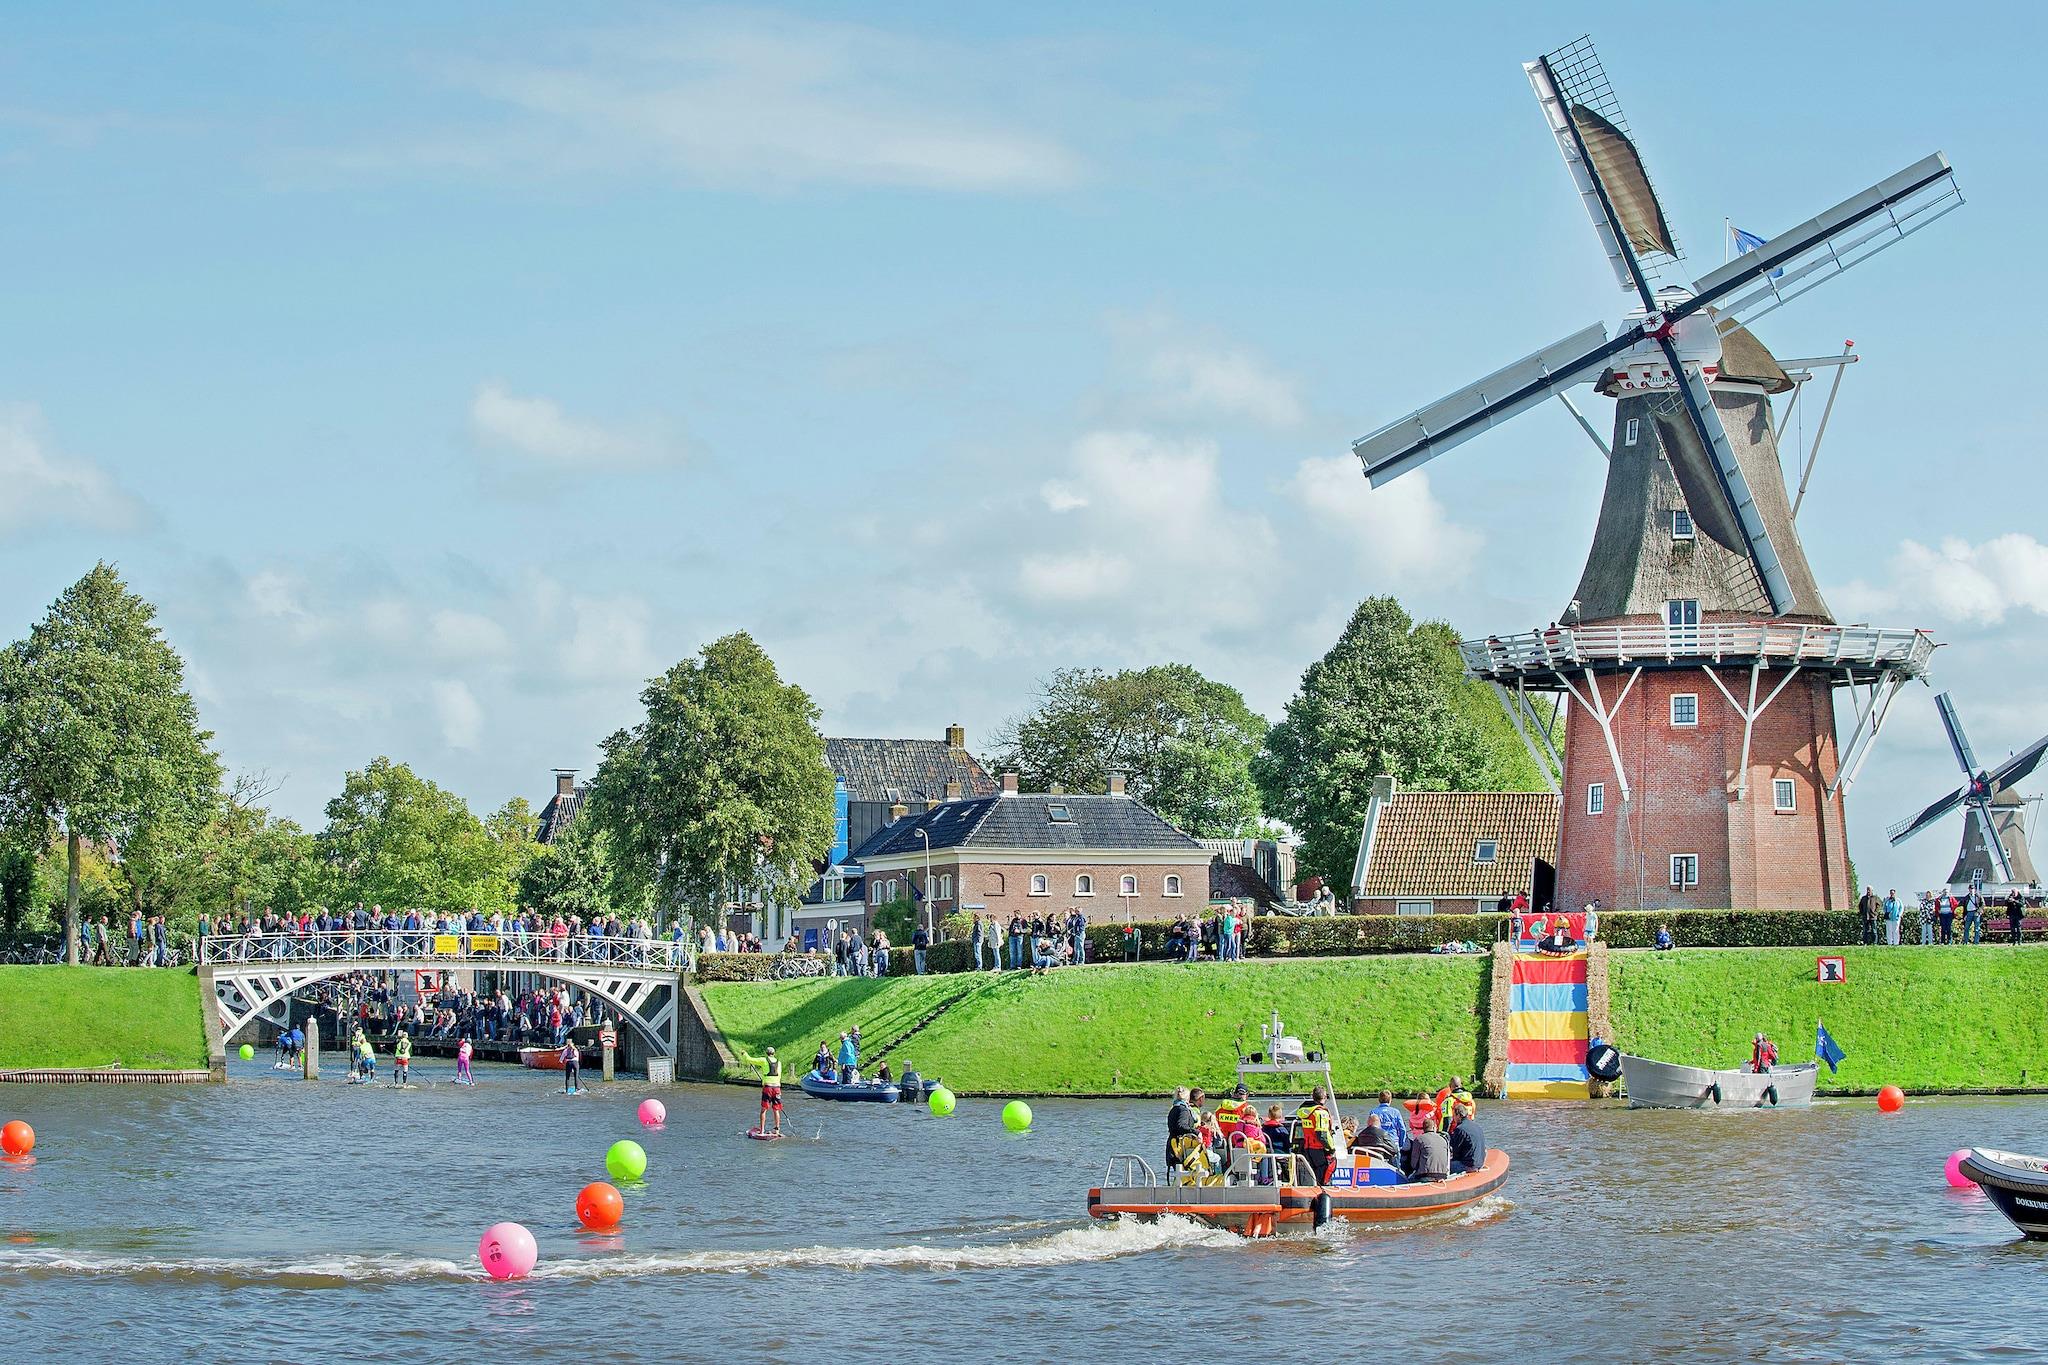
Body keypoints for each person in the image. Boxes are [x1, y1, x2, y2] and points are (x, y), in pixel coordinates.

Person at [1292, 1086, 1336, 1186]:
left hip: (1308, 1147)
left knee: (1314, 1173)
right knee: (1324, 1173)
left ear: (1313, 1097)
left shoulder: (1306, 1112)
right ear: (1324, 1097)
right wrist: (1331, 1148)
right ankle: (1323, 1191)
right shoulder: (1320, 1112)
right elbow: (1321, 1134)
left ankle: (1316, 1189)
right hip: (1319, 1147)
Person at [746, 1047, 783, 1135]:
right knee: (776, 1109)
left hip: (768, 1088)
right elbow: (779, 1075)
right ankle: (777, 1129)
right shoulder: (779, 1062)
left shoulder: (763, 1060)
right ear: (774, 1053)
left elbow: (749, 1059)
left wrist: (744, 1053)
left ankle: (762, 1130)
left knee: (764, 1109)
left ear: (766, 1053)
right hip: (777, 1088)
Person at [1166, 1087, 1201, 1172]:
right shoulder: (1183, 1110)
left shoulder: (1174, 1108)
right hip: (1179, 1147)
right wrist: (1196, 1132)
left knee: (1179, 1174)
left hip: (1172, 1145)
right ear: (1188, 1097)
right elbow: (1181, 1126)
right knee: (1185, 1173)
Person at [1368, 1089, 1410, 1156]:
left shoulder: (1373, 1112)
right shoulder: (1396, 1112)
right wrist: (1401, 1144)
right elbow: (1402, 1129)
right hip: (1393, 1142)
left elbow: (1370, 1129)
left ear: (1379, 1100)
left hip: (1379, 1143)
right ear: (1390, 1100)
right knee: (1396, 1161)